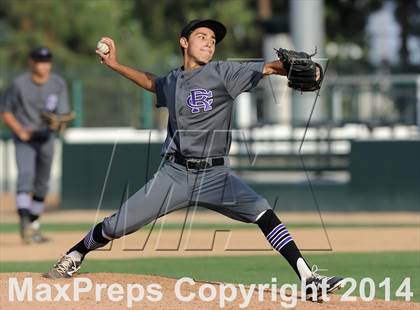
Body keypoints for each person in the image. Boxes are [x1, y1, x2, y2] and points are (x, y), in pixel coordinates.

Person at [43, 19, 343, 299]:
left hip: (216, 176)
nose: (209, 43)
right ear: (183, 42)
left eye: (213, 39)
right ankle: (74, 255)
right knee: (117, 226)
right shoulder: (173, 80)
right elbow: (153, 83)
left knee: (262, 211)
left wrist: (295, 68)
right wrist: (116, 65)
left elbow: (267, 68)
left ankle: (307, 277)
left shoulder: (223, 73)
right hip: (174, 175)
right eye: (202, 36)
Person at [0, 47, 72, 244]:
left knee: (42, 185)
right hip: (25, 139)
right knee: (25, 177)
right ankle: (24, 220)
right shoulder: (19, 84)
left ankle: (33, 226)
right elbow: (5, 110)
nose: (43, 65)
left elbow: (63, 113)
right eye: (39, 61)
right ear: (31, 63)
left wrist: (60, 122)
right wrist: (19, 130)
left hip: (46, 137)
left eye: (47, 61)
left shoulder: (58, 84)